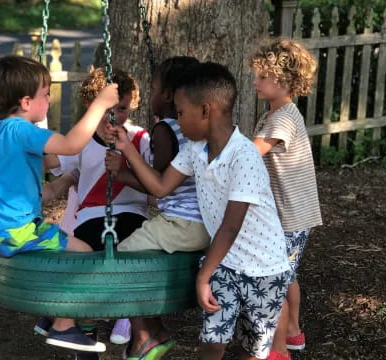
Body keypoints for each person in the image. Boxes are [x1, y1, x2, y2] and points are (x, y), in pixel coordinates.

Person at [110, 62, 291, 360]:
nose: (177, 121)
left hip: (265, 268)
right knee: (212, 342)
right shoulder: (195, 149)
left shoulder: (244, 156)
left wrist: (203, 275)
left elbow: (231, 226)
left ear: (206, 111)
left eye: (180, 113)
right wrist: (127, 149)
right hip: (225, 262)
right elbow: (160, 187)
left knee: (253, 349)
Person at [0, 55, 118, 353]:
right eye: (46, 94)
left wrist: (65, 181)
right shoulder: (21, 130)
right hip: (19, 231)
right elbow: (70, 144)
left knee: (60, 246)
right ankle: (64, 324)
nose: (50, 100)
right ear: (27, 102)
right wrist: (100, 104)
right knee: (83, 253)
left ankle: (50, 313)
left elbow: (34, 186)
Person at [40, 67, 151, 357]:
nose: (114, 117)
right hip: (91, 216)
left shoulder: (141, 138)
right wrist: (38, 129)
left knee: (127, 252)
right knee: (81, 257)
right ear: (93, 106)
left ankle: (125, 321)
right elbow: (55, 162)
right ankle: (81, 332)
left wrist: (126, 165)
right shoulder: (82, 139)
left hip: (132, 213)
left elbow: (153, 184)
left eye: (123, 109)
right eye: (107, 109)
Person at [105, 56, 210, 360]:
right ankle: (158, 330)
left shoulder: (164, 130)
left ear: (166, 95)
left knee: (121, 261)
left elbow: (159, 184)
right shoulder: (192, 129)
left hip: (181, 223)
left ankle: (144, 336)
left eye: (151, 88)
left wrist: (122, 173)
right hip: (203, 223)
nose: (148, 95)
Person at [249, 38, 322, 360]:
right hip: (292, 214)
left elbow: (251, 154)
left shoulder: (282, 119)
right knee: (287, 274)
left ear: (283, 80)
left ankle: (279, 348)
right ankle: (293, 332)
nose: (255, 82)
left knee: (275, 278)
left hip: (288, 217)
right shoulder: (277, 114)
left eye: (262, 77)